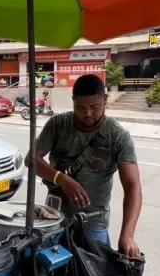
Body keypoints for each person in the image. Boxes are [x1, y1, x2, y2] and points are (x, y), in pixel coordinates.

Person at [31, 74, 143, 257]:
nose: (87, 113)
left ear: (105, 100)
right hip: (53, 220)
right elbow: (32, 159)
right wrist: (62, 179)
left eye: (94, 107)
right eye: (80, 108)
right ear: (73, 101)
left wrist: (127, 235)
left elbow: (133, 187)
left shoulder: (118, 136)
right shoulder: (57, 124)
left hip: (93, 225)